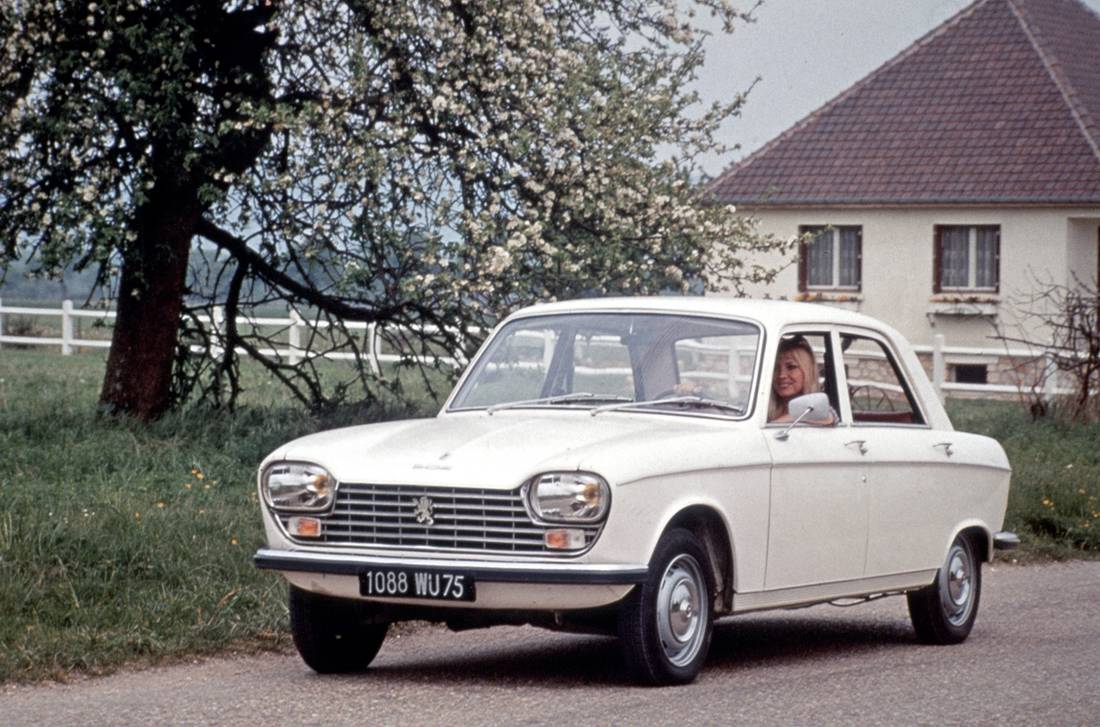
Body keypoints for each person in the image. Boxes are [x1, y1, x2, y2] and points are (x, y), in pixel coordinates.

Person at [768, 335, 835, 424]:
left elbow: (829, 417)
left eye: (791, 367)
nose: (781, 375)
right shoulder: (762, 409)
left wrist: (775, 424)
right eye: (775, 368)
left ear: (807, 371)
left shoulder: (819, 407)